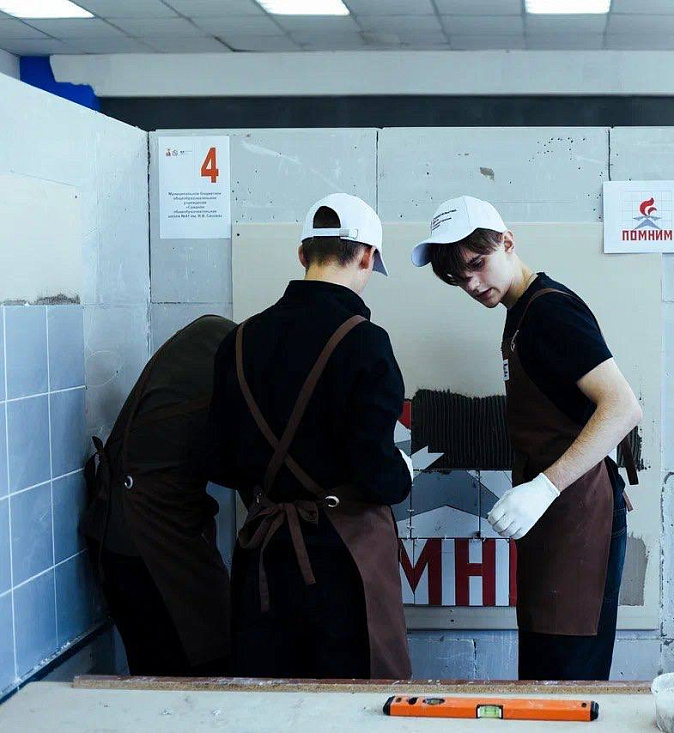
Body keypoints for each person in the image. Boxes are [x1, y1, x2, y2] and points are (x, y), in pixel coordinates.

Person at [411, 195, 641, 681]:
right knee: (543, 673)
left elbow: (623, 407)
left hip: (577, 514)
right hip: (556, 515)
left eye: (478, 264)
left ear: (508, 242)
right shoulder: (520, 313)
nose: (472, 284)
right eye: (458, 278)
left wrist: (546, 487)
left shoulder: (550, 312)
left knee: (568, 681)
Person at [206, 193, 414, 679]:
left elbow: (219, 461)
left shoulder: (237, 341)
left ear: (302, 254)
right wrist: (401, 472)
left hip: (262, 559)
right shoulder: (366, 341)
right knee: (353, 700)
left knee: (269, 697)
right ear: (367, 258)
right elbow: (374, 471)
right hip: (344, 564)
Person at [82, 315, 236, 676]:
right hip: (141, 537)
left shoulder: (210, 339)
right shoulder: (229, 357)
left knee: (172, 674)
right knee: (200, 670)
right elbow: (241, 463)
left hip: (120, 532)